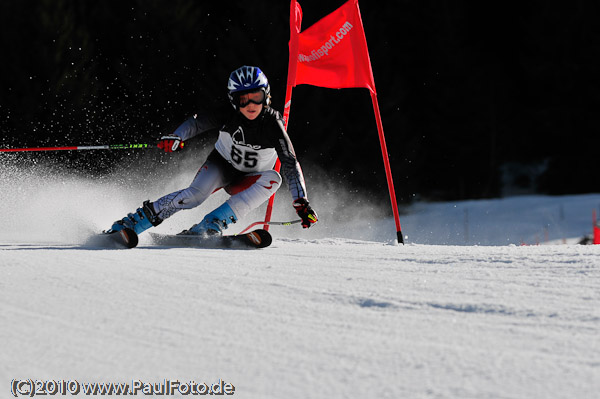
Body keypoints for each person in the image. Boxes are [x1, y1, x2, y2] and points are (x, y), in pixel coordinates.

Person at [107, 65, 317, 237]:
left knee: (274, 179)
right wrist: (177, 136)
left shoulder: (273, 124)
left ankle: (211, 224)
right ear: (234, 100)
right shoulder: (227, 114)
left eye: (257, 97)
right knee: (194, 197)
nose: (251, 105)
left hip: (249, 179)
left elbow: (290, 162)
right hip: (222, 166)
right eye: (244, 99)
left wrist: (302, 202)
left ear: (267, 97)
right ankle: (133, 223)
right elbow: (196, 124)